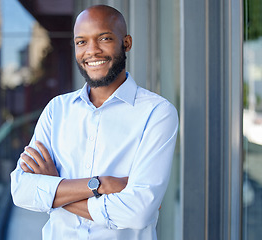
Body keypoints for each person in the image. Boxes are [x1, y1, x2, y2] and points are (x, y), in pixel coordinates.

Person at [10, 4, 178, 240]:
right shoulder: (57, 110)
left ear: (126, 43)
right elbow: (21, 190)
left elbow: (138, 212)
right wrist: (101, 184)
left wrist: (53, 188)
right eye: (81, 42)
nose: (92, 51)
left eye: (104, 38)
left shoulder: (157, 113)